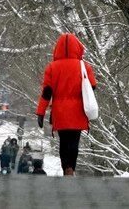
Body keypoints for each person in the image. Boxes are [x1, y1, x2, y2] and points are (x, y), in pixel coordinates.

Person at [35, 33, 97, 176]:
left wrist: (40, 112)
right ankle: (71, 169)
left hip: (60, 112)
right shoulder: (84, 67)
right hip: (78, 112)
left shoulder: (52, 68)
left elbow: (46, 92)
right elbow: (92, 86)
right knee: (74, 141)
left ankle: (65, 169)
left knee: (63, 142)